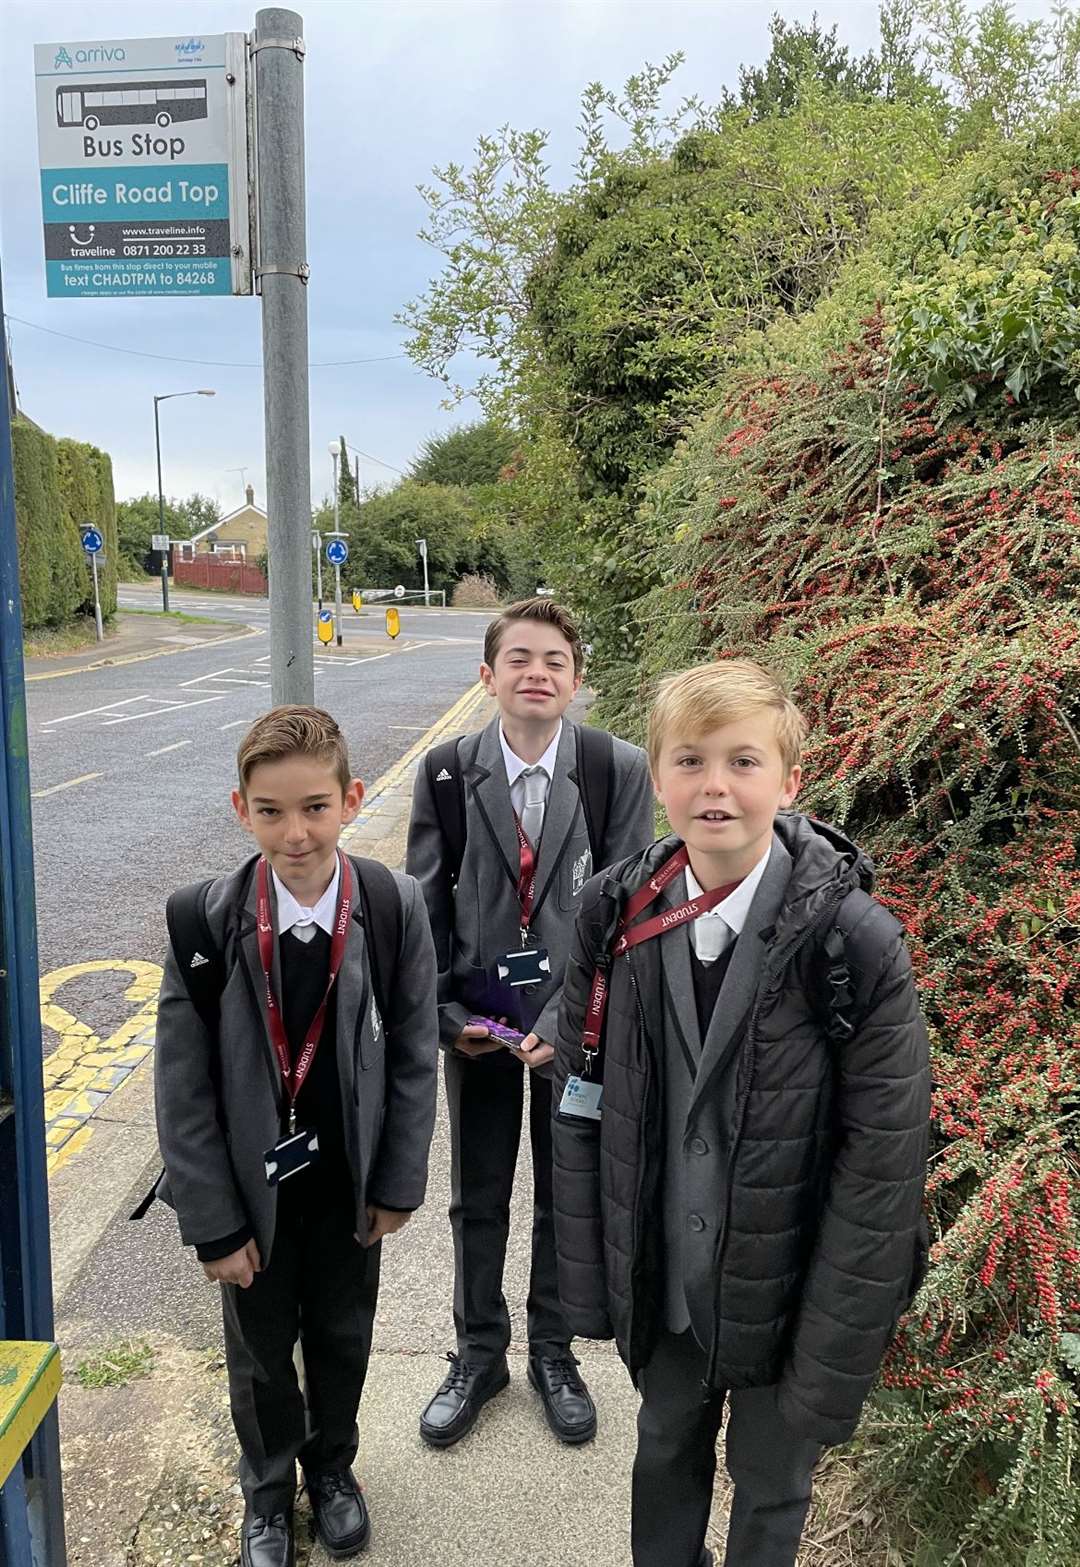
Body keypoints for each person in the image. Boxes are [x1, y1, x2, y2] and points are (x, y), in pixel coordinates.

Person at [552, 660, 931, 1567]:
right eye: (689, 760)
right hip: (667, 1279)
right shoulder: (611, 913)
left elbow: (884, 1161)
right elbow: (580, 1104)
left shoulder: (853, 940)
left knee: (771, 1484)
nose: (715, 785)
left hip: (793, 1294)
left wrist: (840, 1333)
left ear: (790, 780)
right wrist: (595, 1278)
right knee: (663, 1450)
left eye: (744, 761)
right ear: (657, 775)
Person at [148, 706, 438, 1567]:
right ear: (241, 809)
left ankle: (334, 1471)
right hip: (252, 1192)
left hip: (348, 1182)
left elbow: (416, 1055)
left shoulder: (391, 905)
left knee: (345, 1334)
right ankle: (269, 1490)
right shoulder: (201, 923)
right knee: (262, 1352)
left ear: (351, 799)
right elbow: (183, 1087)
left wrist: (397, 1182)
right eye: (271, 811)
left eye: (315, 806)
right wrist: (214, 1223)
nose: (295, 831)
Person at [406, 597, 654, 1449]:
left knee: (562, 1189)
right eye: (518, 657)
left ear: (576, 679)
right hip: (476, 1025)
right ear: (488, 676)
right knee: (476, 1195)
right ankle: (480, 1351)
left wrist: (566, 1014)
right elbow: (424, 908)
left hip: (572, 1023)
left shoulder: (615, 768)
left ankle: (553, 1350)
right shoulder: (444, 771)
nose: (536, 671)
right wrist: (445, 1013)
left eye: (553, 659)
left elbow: (629, 909)